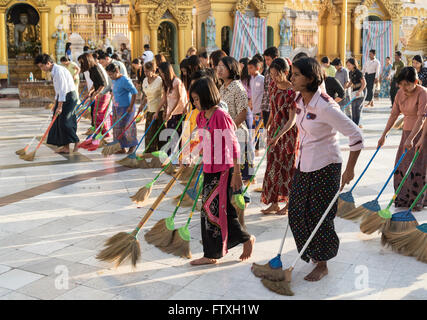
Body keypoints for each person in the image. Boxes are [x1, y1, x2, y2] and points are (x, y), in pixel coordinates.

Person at [289, 57, 363, 281]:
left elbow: (356, 136)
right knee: (296, 213)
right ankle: (312, 252)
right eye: (291, 74)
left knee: (319, 216)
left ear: (310, 78)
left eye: (296, 75)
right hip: (304, 164)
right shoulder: (300, 100)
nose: (291, 78)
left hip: (326, 166)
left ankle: (322, 263)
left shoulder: (325, 106)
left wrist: (349, 170)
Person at [189, 77, 255, 266]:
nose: (194, 102)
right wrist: (192, 155)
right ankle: (222, 248)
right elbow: (201, 139)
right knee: (211, 210)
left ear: (206, 96)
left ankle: (218, 250)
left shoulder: (221, 115)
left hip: (224, 170)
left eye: (196, 98)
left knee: (214, 209)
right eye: (193, 99)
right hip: (208, 167)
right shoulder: (201, 116)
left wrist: (236, 173)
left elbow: (233, 144)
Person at [377, 67, 426, 211]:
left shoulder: (423, 93)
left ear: (416, 82)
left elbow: (422, 118)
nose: (403, 88)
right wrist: (384, 134)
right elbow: (393, 114)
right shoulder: (400, 93)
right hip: (406, 133)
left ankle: (417, 200)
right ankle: (403, 198)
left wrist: (412, 138)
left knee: (417, 166)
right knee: (402, 164)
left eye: (406, 84)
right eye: (401, 84)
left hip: (422, 133)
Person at [260, 58, 298, 216]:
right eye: (272, 74)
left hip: (288, 134)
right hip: (274, 131)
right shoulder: (272, 86)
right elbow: (273, 109)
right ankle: (274, 203)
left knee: (287, 168)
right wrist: (267, 125)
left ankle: (289, 203)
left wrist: (279, 136)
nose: (274, 78)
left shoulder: (293, 92)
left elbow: (292, 119)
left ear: (286, 72)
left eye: (277, 74)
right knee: (272, 167)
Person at [217, 56, 253, 182]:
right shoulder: (222, 88)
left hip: (236, 134)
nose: (219, 69)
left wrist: (229, 129)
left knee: (240, 179)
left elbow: (242, 114)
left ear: (231, 68)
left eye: (223, 67)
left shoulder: (238, 88)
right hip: (225, 134)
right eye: (218, 66)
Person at [35, 54, 79, 154]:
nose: (42, 69)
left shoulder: (58, 71)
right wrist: (55, 104)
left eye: (42, 66)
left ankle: (76, 140)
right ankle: (66, 147)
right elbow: (58, 91)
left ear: (48, 63)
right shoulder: (53, 71)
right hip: (63, 97)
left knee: (64, 122)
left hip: (69, 97)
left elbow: (63, 90)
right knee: (58, 121)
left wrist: (59, 106)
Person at [105, 63, 138, 154]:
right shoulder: (114, 80)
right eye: (109, 74)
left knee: (128, 128)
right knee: (117, 128)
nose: (110, 76)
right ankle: (121, 147)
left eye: (111, 74)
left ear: (117, 71)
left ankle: (132, 146)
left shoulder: (125, 80)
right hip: (116, 107)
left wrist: (131, 107)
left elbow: (134, 92)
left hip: (126, 108)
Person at [78, 53, 112, 138]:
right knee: (96, 114)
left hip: (103, 94)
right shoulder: (91, 69)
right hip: (98, 93)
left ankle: (102, 133)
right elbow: (95, 82)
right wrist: (90, 92)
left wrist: (96, 94)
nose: (81, 65)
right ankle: (101, 132)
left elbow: (102, 84)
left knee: (98, 114)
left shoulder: (96, 68)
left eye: (82, 62)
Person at [158, 61, 188, 155]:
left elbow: (180, 98)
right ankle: (171, 158)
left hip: (179, 113)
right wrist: (158, 111)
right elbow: (164, 98)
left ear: (167, 72)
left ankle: (176, 159)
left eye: (162, 72)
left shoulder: (176, 82)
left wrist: (171, 112)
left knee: (177, 137)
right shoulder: (167, 83)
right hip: (171, 113)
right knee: (170, 136)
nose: (161, 75)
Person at [140, 61, 165, 153]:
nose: (146, 73)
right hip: (150, 111)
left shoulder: (159, 80)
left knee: (159, 133)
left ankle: (161, 153)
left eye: (148, 71)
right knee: (149, 134)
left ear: (154, 70)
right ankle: (150, 153)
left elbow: (164, 96)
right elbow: (146, 95)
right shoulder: (144, 81)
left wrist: (159, 111)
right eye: (144, 71)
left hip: (159, 110)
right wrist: (142, 105)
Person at [248, 58, 265, 154]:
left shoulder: (262, 79)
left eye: (251, 68)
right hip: (253, 109)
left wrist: (263, 109)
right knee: (253, 129)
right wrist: (250, 103)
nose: (249, 70)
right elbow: (253, 94)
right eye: (248, 68)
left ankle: (258, 149)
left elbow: (264, 94)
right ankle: (253, 149)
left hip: (260, 109)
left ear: (258, 68)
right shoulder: (251, 80)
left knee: (260, 129)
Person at [261, 47, 279, 133]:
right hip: (266, 105)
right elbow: (265, 90)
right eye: (265, 60)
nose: (266, 62)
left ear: (275, 58)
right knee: (266, 131)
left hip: (274, 106)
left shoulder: (279, 72)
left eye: (268, 59)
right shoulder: (266, 72)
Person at [345, 58, 366, 127]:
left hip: (361, 91)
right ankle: (354, 124)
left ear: (354, 65)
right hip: (354, 91)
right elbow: (351, 81)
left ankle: (356, 124)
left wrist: (359, 91)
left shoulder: (359, 72)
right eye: (347, 65)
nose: (348, 67)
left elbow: (364, 83)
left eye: (349, 65)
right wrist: (346, 87)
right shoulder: (350, 72)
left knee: (357, 108)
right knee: (353, 108)